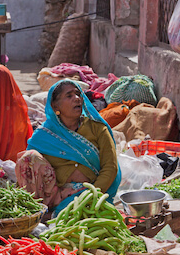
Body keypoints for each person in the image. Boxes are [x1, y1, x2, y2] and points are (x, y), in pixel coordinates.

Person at [15, 79, 121, 214]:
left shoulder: (97, 129)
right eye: (69, 96)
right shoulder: (45, 134)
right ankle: (35, 212)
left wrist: (93, 195)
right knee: (28, 158)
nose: (77, 99)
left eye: (78, 94)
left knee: (74, 216)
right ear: (55, 106)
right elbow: (29, 171)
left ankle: (56, 214)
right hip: (53, 192)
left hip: (89, 190)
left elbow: (110, 167)